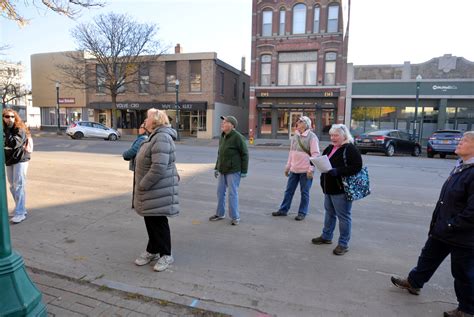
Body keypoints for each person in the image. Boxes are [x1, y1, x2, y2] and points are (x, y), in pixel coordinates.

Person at [391, 131, 474, 317]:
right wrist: (440, 222)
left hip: (462, 234)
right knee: (428, 257)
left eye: (465, 140)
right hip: (444, 227)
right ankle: (414, 282)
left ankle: (467, 309)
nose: (459, 143)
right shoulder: (461, 166)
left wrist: (451, 225)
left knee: (463, 273)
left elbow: (472, 212)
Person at [133, 109, 179, 272]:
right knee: (151, 221)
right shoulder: (154, 136)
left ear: (155, 121)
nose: (145, 120)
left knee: (158, 222)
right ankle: (152, 250)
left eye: (147, 117)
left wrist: (143, 184)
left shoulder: (161, 137)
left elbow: (159, 167)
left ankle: (166, 255)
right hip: (153, 190)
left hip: (156, 189)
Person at [311, 124, 362, 255]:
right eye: (331, 135)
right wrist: (315, 162)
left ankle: (343, 244)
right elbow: (323, 161)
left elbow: (357, 167)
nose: (332, 138)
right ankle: (326, 237)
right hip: (328, 187)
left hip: (341, 189)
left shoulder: (350, 148)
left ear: (344, 135)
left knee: (344, 217)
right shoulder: (330, 147)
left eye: (336, 135)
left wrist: (338, 171)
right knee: (329, 213)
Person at [272, 116, 320, 221]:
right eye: (298, 121)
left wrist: (310, 169)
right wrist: (287, 167)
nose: (298, 123)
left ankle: (302, 212)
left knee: (304, 193)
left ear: (306, 124)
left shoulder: (312, 137)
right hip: (294, 169)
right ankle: (283, 210)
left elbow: (315, 154)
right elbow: (291, 153)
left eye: (300, 121)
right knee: (289, 191)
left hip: (305, 171)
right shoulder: (295, 136)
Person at [209, 115, 249, 225]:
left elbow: (245, 154)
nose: (222, 123)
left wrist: (244, 171)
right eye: (223, 122)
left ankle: (235, 217)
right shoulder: (223, 136)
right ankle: (220, 214)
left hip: (234, 170)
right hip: (223, 169)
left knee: (232, 194)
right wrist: (217, 167)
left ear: (232, 125)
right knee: (220, 192)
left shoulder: (238, 137)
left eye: (225, 122)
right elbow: (220, 153)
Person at [3, 109, 31, 224]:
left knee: (18, 185)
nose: (10, 119)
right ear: (3, 118)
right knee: (12, 186)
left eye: (12, 117)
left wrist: (8, 129)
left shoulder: (19, 128)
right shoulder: (3, 129)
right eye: (7, 116)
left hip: (20, 159)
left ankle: (20, 212)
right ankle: (20, 207)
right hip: (9, 160)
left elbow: (14, 143)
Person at [123, 121, 149, 208]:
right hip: (142, 166)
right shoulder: (146, 137)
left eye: (141, 127)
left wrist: (125, 155)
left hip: (139, 166)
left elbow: (132, 151)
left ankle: (137, 204)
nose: (139, 129)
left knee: (138, 186)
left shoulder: (142, 139)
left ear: (145, 129)